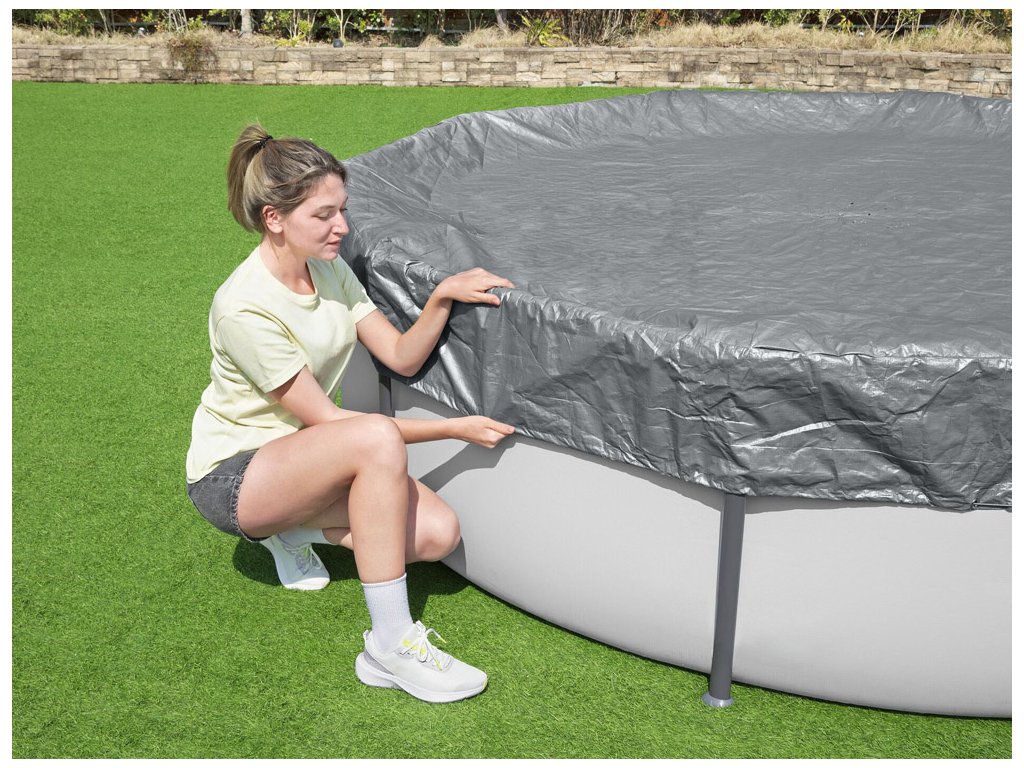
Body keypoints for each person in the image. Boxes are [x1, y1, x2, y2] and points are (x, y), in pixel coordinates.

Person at [185, 124, 516, 703]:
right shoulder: (243, 309)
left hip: (310, 461)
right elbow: (337, 426)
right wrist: (452, 428)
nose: (341, 226)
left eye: (343, 209)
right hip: (235, 477)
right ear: (274, 218)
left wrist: (441, 296)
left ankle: (294, 528)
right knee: (374, 438)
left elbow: (400, 356)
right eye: (323, 215)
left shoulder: (329, 269)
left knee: (438, 535)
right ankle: (389, 646)